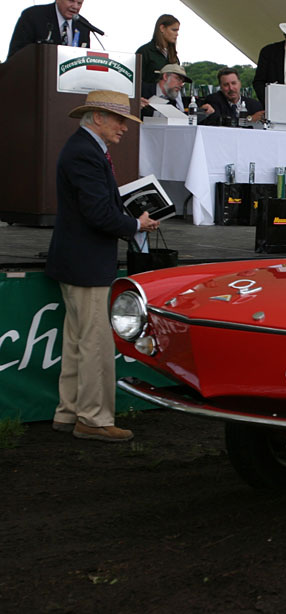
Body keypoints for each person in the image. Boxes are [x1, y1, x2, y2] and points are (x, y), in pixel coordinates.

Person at [45, 90, 161, 441]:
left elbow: (94, 208)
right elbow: (97, 213)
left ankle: (68, 413)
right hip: (87, 263)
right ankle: (93, 419)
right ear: (97, 117)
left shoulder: (83, 149)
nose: (124, 128)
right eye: (119, 120)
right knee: (94, 344)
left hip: (78, 261)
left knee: (77, 341)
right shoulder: (85, 153)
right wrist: (136, 225)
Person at [7, 0, 91, 59]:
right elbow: (16, 55)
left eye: (79, 3)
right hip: (36, 79)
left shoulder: (83, 26)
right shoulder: (33, 16)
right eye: (71, 1)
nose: (75, 7)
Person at [199, 67, 265, 123]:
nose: (231, 88)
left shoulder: (255, 105)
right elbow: (219, 121)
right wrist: (248, 119)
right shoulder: (213, 100)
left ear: (240, 84)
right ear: (220, 87)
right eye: (226, 85)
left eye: (233, 83)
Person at [136, 14, 180, 88]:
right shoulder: (144, 52)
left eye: (177, 30)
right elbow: (136, 81)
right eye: (174, 30)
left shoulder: (174, 56)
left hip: (171, 98)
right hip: (149, 98)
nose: (177, 34)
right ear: (162, 28)